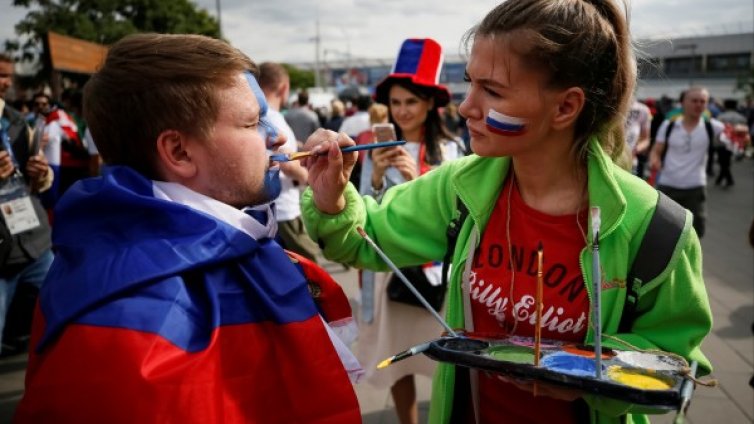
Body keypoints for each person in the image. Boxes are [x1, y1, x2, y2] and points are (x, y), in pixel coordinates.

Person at [299, 1, 712, 423]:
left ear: (566, 107)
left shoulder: (658, 229)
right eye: (469, 83)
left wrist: (585, 373)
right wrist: (331, 196)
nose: (465, 107)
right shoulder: (458, 187)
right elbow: (363, 235)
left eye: (492, 90)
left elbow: (674, 360)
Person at [15, 34, 361, 423]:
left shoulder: (229, 244)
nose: (278, 136)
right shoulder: (130, 330)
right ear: (179, 152)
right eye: (252, 122)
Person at [356, 38, 464, 424]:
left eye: (411, 102)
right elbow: (363, 209)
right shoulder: (372, 150)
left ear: (430, 103)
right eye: (396, 102)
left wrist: (415, 179)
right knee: (395, 358)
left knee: (444, 361)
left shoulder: (452, 153)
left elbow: (458, 214)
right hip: (389, 272)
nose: (402, 111)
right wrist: (380, 176)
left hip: (438, 274)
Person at [0, 53, 54, 356]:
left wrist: (42, 173)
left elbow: (37, 182)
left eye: (7, 76)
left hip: (35, 245)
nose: (4, 83)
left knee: (54, 322)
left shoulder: (18, 122)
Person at [258, 62, 321, 262]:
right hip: (283, 209)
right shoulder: (274, 119)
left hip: (267, 208)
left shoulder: (258, 116)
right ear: (284, 87)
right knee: (312, 268)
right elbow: (285, 161)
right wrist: (310, 179)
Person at [649, 86, 724, 237]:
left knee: (695, 233)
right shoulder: (669, 125)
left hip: (695, 188)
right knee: (663, 231)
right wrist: (654, 160)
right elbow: (656, 150)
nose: (698, 105)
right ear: (683, 103)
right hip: (668, 185)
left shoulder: (713, 127)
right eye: (694, 101)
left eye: (703, 101)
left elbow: (737, 137)